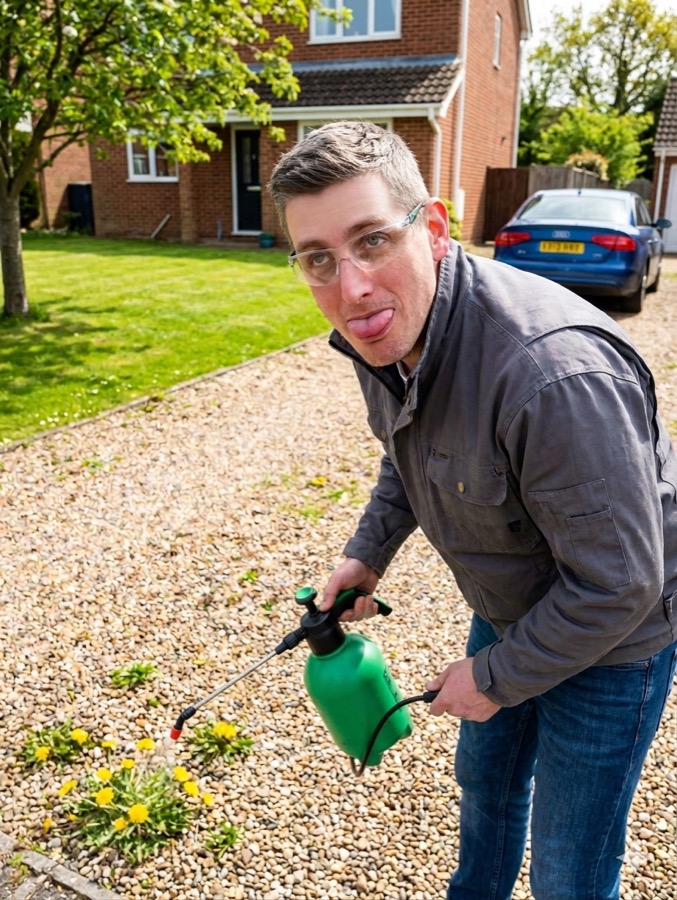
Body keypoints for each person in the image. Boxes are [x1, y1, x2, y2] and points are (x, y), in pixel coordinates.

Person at [268, 120, 677, 899]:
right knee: (485, 791)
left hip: (617, 642)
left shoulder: (552, 377)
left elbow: (620, 585)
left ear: (430, 229)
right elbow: (407, 450)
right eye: (317, 258)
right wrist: (368, 553)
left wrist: (490, 678)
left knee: (568, 869)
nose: (348, 286)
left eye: (370, 241)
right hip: (508, 602)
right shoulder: (381, 333)